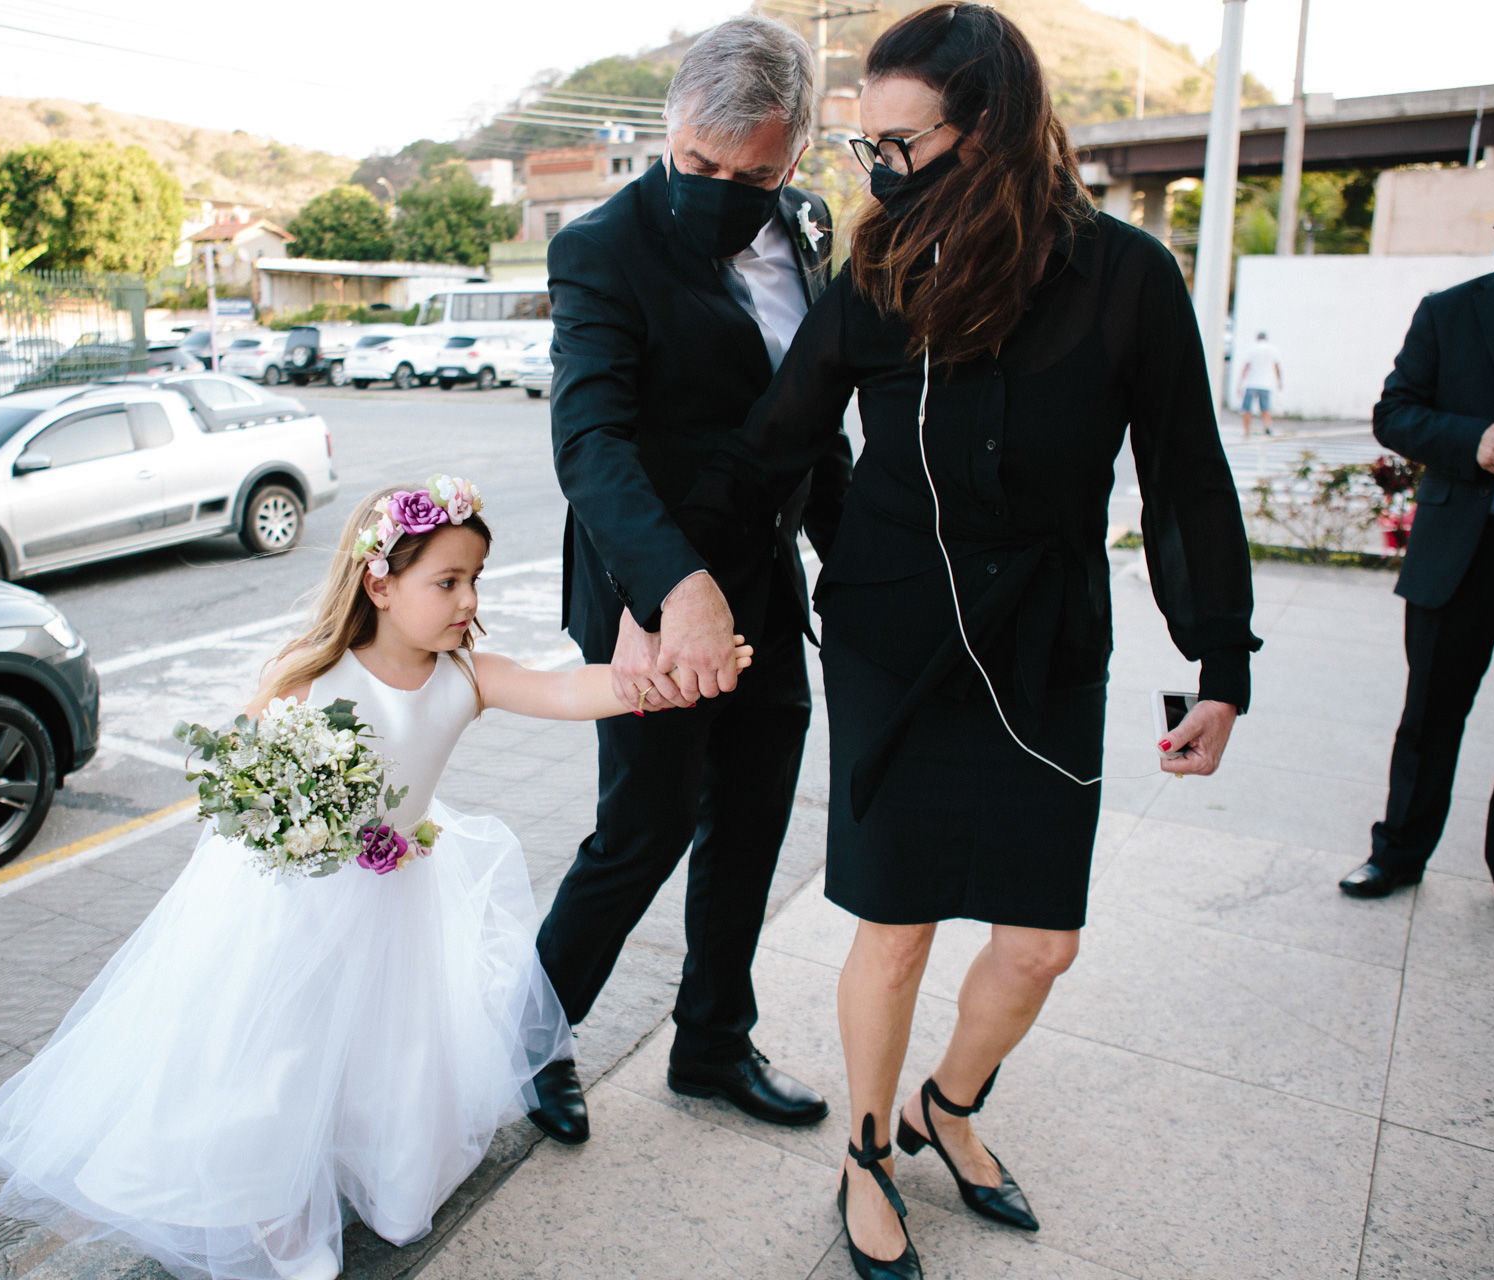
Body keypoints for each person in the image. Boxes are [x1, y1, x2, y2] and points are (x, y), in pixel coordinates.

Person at [679, 6, 1260, 1276]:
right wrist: (669, 585)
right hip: (893, 638)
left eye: (901, 145)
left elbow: (1186, 474)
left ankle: (948, 1103)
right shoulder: (883, 271)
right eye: (869, 148)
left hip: (1046, 638)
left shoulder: (1125, 277)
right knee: (895, 925)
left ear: (989, 127)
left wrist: (1221, 658)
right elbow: (773, 448)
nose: (881, 172)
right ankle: (868, 1152)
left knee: (1042, 939)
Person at [0, 479, 752, 1280]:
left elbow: (560, 687)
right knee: (287, 1053)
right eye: (447, 582)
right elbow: (248, 782)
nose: (468, 600)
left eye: (474, 579)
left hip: (399, 898)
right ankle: (271, 1204)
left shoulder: (466, 677)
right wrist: (291, 814)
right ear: (379, 585)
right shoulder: (312, 678)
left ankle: (384, 1170)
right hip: (297, 907)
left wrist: (649, 684)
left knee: (393, 1047)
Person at [530, 14, 851, 1145]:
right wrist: (672, 589)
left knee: (753, 821)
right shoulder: (600, 249)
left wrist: (859, 568)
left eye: (751, 176)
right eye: (697, 164)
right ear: (669, 132)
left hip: (766, 581)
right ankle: (532, 1037)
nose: (721, 191)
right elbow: (591, 443)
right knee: (645, 828)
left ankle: (712, 1039)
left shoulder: (809, 225)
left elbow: (814, 418)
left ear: (795, 156)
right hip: (649, 590)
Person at [1339, 153, 1494, 944]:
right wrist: (1477, 440)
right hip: (1460, 556)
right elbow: (1396, 414)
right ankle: (1397, 855)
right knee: (1430, 716)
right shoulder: (1450, 311)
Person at [1238, 330, 1284, 436]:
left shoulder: (1252, 349)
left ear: (1257, 338)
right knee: (1266, 408)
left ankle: (1247, 430)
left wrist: (1240, 383)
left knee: (1247, 408)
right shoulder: (1272, 349)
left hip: (1251, 383)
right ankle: (1267, 427)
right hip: (1265, 383)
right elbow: (1276, 366)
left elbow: (1246, 366)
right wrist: (1279, 381)